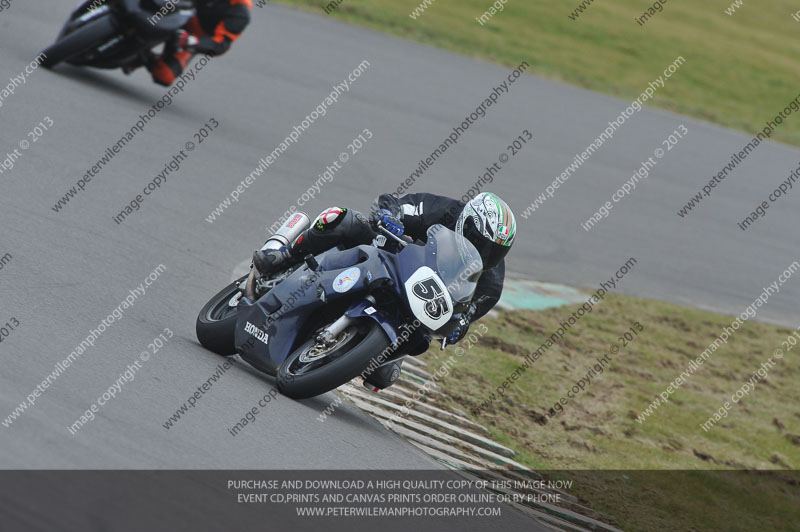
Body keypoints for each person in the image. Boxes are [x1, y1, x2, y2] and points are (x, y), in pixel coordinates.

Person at [253, 192, 517, 391]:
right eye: (481, 242)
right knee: (343, 219)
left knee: (383, 376)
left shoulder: (491, 283)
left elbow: (465, 314)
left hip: (412, 310)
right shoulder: (445, 211)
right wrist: (389, 217)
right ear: (466, 221)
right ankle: (283, 257)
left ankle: (340, 350)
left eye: (495, 250)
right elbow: (393, 202)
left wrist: (459, 328)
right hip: (387, 258)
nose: (486, 254)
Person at [125, 0, 252, 86]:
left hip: (192, 35)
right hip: (177, 8)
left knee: (164, 75)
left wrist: (191, 41)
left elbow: (220, 44)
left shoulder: (240, 11)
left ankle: (143, 56)